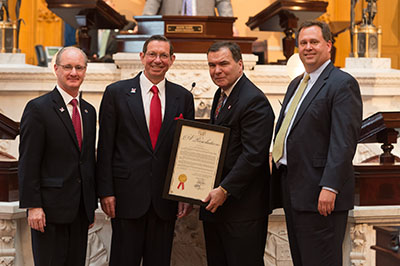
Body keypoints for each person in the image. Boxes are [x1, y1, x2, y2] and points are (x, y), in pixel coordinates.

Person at [96, 35, 195, 266]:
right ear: (142, 57)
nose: (157, 60)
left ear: (172, 60)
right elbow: (106, 146)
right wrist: (105, 191)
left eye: (163, 55)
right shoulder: (116, 93)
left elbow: (186, 150)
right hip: (125, 196)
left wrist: (185, 194)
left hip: (165, 199)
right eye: (152, 54)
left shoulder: (183, 97)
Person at [270, 20, 362, 266]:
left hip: (321, 193)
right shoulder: (297, 84)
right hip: (294, 190)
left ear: (329, 46)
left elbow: (343, 141)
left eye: (314, 42)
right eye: (303, 43)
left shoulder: (342, 83)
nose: (307, 47)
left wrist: (330, 187)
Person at [18, 46, 97, 266]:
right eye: (68, 67)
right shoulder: (38, 109)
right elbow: (28, 161)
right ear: (56, 69)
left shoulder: (89, 111)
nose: (74, 73)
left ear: (85, 71)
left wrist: (89, 206)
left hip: (79, 211)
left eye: (79, 67)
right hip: (48, 212)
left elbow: (88, 160)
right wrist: (33, 206)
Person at [200, 41, 275, 266]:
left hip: (243, 209)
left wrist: (224, 189)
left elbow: (253, 155)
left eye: (223, 63)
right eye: (212, 65)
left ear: (240, 64)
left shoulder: (254, 100)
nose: (217, 70)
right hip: (218, 206)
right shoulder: (221, 94)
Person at [142, 0, 233, 16]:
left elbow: (223, 1)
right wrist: (144, 23)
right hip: (168, 33)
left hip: (206, 33)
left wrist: (230, 26)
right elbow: (153, 2)